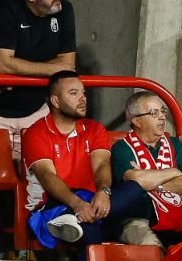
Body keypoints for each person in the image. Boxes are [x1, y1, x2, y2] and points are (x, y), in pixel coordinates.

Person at [0, 0, 78, 160]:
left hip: (36, 107)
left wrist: (19, 69)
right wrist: (50, 68)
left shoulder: (65, 10)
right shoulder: (9, 11)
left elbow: (68, 64)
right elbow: (3, 65)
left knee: (38, 176)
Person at [22, 71, 140, 239]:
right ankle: (75, 220)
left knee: (134, 188)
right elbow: (47, 176)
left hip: (93, 200)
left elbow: (101, 165)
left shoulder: (94, 128)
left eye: (83, 92)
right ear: (55, 101)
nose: (83, 98)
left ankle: (76, 221)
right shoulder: (36, 133)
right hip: (56, 202)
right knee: (91, 230)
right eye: (73, 93)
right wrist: (77, 205)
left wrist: (104, 192)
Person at [111, 91, 182, 245]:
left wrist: (150, 185)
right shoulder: (122, 148)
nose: (162, 116)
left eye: (163, 111)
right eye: (154, 112)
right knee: (151, 246)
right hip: (137, 220)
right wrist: (173, 172)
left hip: (178, 218)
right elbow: (136, 181)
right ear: (137, 121)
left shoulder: (175, 144)